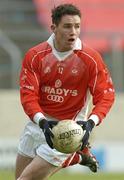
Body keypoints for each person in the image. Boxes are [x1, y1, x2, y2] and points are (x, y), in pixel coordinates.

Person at [16, 3, 115, 180]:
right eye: (67, 26)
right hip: (39, 124)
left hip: (69, 129)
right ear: (53, 28)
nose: (74, 31)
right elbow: (28, 95)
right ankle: (78, 156)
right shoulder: (35, 56)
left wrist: (91, 122)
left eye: (77, 26)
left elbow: (106, 95)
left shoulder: (91, 59)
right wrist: (41, 121)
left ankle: (74, 151)